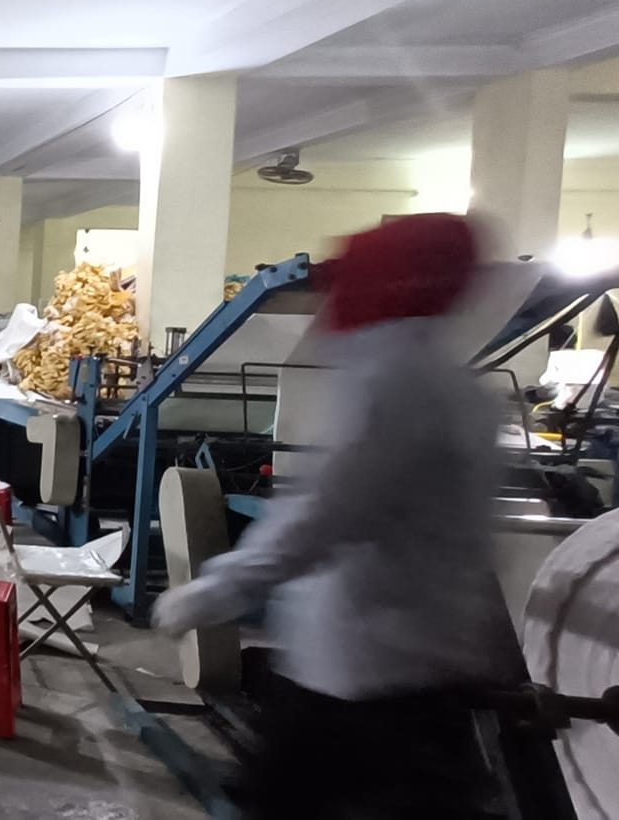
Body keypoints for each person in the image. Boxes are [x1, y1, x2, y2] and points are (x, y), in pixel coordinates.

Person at [153, 213, 515, 820]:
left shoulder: (386, 380)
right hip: (437, 660)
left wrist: (212, 592)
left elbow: (324, 515)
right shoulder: (464, 388)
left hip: (359, 667)